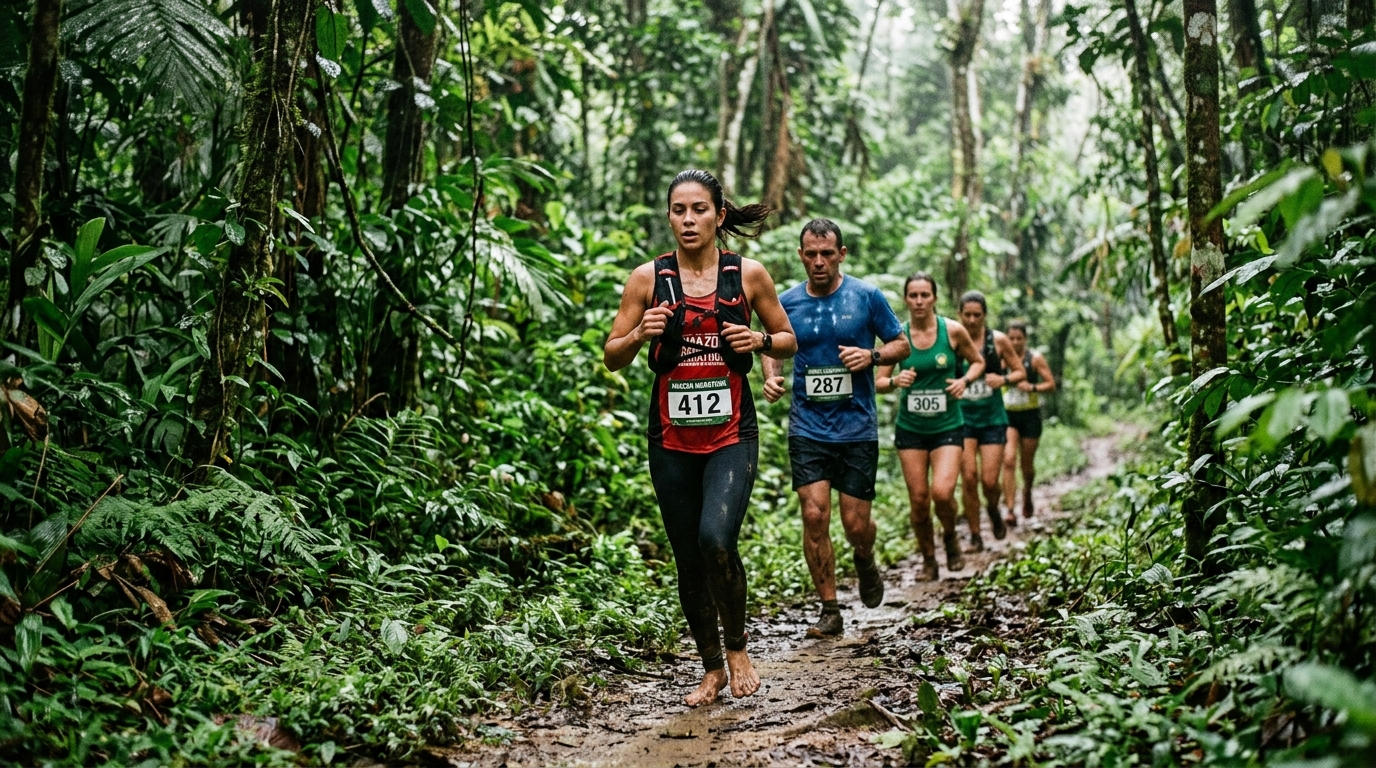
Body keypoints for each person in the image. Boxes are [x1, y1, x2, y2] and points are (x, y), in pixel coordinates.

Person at [603, 169, 797, 707]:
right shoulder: (647, 279)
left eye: (699, 210)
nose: (688, 220)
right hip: (670, 441)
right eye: (678, 210)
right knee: (688, 556)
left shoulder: (748, 275)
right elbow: (612, 356)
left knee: (716, 538)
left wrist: (759, 338)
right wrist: (639, 334)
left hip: (732, 434)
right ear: (669, 216)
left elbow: (787, 339)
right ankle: (710, 668)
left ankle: (737, 649)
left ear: (719, 215)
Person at [762, 219, 909, 638]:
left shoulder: (866, 296)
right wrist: (770, 375)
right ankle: (829, 610)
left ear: (841, 254)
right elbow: (772, 341)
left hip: (857, 427)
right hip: (808, 427)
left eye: (827, 254)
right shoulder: (788, 300)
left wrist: (873, 357)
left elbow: (902, 344)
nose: (819, 261)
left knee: (855, 525)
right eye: (811, 254)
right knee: (814, 514)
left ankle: (864, 558)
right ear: (801, 255)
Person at [876, 273, 984, 581]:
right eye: (913, 295)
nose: (919, 301)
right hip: (911, 430)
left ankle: (950, 536)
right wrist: (896, 380)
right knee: (919, 500)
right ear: (906, 299)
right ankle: (928, 559)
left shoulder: (953, 331)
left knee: (941, 492)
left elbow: (977, 362)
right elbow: (879, 382)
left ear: (934, 298)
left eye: (925, 295)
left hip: (947, 426)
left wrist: (964, 381)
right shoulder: (898, 336)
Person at [955, 292, 1026, 551]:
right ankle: (975, 534)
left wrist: (1003, 380)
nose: (972, 320)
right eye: (967, 315)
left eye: (977, 315)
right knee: (969, 477)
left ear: (985, 315)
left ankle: (993, 508)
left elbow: (1020, 371)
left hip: (993, 418)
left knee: (989, 481)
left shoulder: (998, 341)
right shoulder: (952, 340)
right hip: (962, 418)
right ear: (959, 314)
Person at [1001, 320, 1057, 521]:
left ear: (1025, 339)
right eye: (1011, 338)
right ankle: (1009, 509)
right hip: (1008, 416)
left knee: (1026, 465)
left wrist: (1032, 388)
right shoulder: (1001, 358)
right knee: (1008, 460)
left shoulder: (1035, 359)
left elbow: (1051, 384)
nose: (1015, 342)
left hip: (1030, 416)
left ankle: (1027, 492)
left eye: (1019, 338)